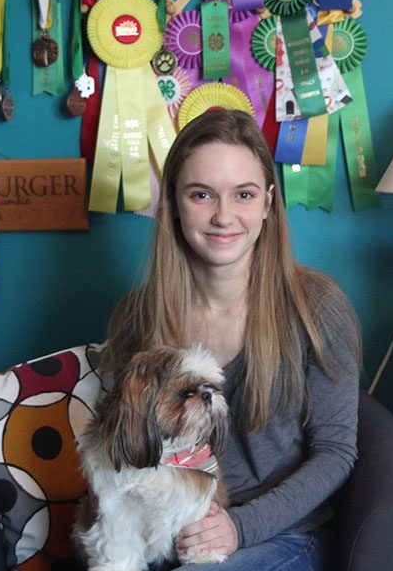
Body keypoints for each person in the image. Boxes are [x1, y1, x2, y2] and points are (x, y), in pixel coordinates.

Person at [99, 108, 361, 571]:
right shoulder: (137, 315)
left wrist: (241, 527)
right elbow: (122, 451)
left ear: (267, 203)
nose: (224, 216)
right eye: (202, 194)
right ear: (174, 204)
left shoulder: (315, 305)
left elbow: (336, 452)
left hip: (280, 537)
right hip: (160, 539)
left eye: (244, 194)